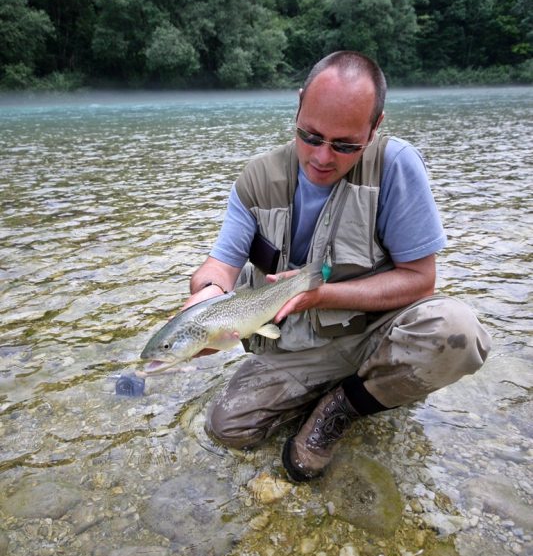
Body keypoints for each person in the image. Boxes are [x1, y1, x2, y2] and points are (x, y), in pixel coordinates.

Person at [182, 51, 491, 482]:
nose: (323, 157)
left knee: (457, 332)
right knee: (227, 428)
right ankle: (351, 388)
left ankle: (342, 407)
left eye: (345, 145)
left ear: (375, 126)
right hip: (298, 350)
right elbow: (220, 265)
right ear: (299, 105)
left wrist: (322, 295)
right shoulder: (257, 180)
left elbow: (421, 280)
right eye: (310, 136)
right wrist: (206, 300)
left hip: (372, 335)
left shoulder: (396, 167)